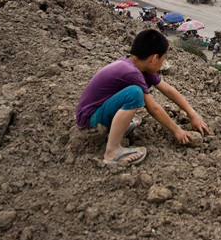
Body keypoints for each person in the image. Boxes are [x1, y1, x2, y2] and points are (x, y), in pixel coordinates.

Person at [75, 29, 210, 165]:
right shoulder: (131, 72)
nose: (162, 63)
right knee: (135, 93)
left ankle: (115, 128)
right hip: (89, 126)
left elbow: (168, 90)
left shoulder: (138, 66)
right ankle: (112, 151)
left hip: (92, 117)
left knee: (134, 93)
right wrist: (177, 130)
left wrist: (192, 114)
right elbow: (154, 109)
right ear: (154, 58)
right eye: (163, 59)